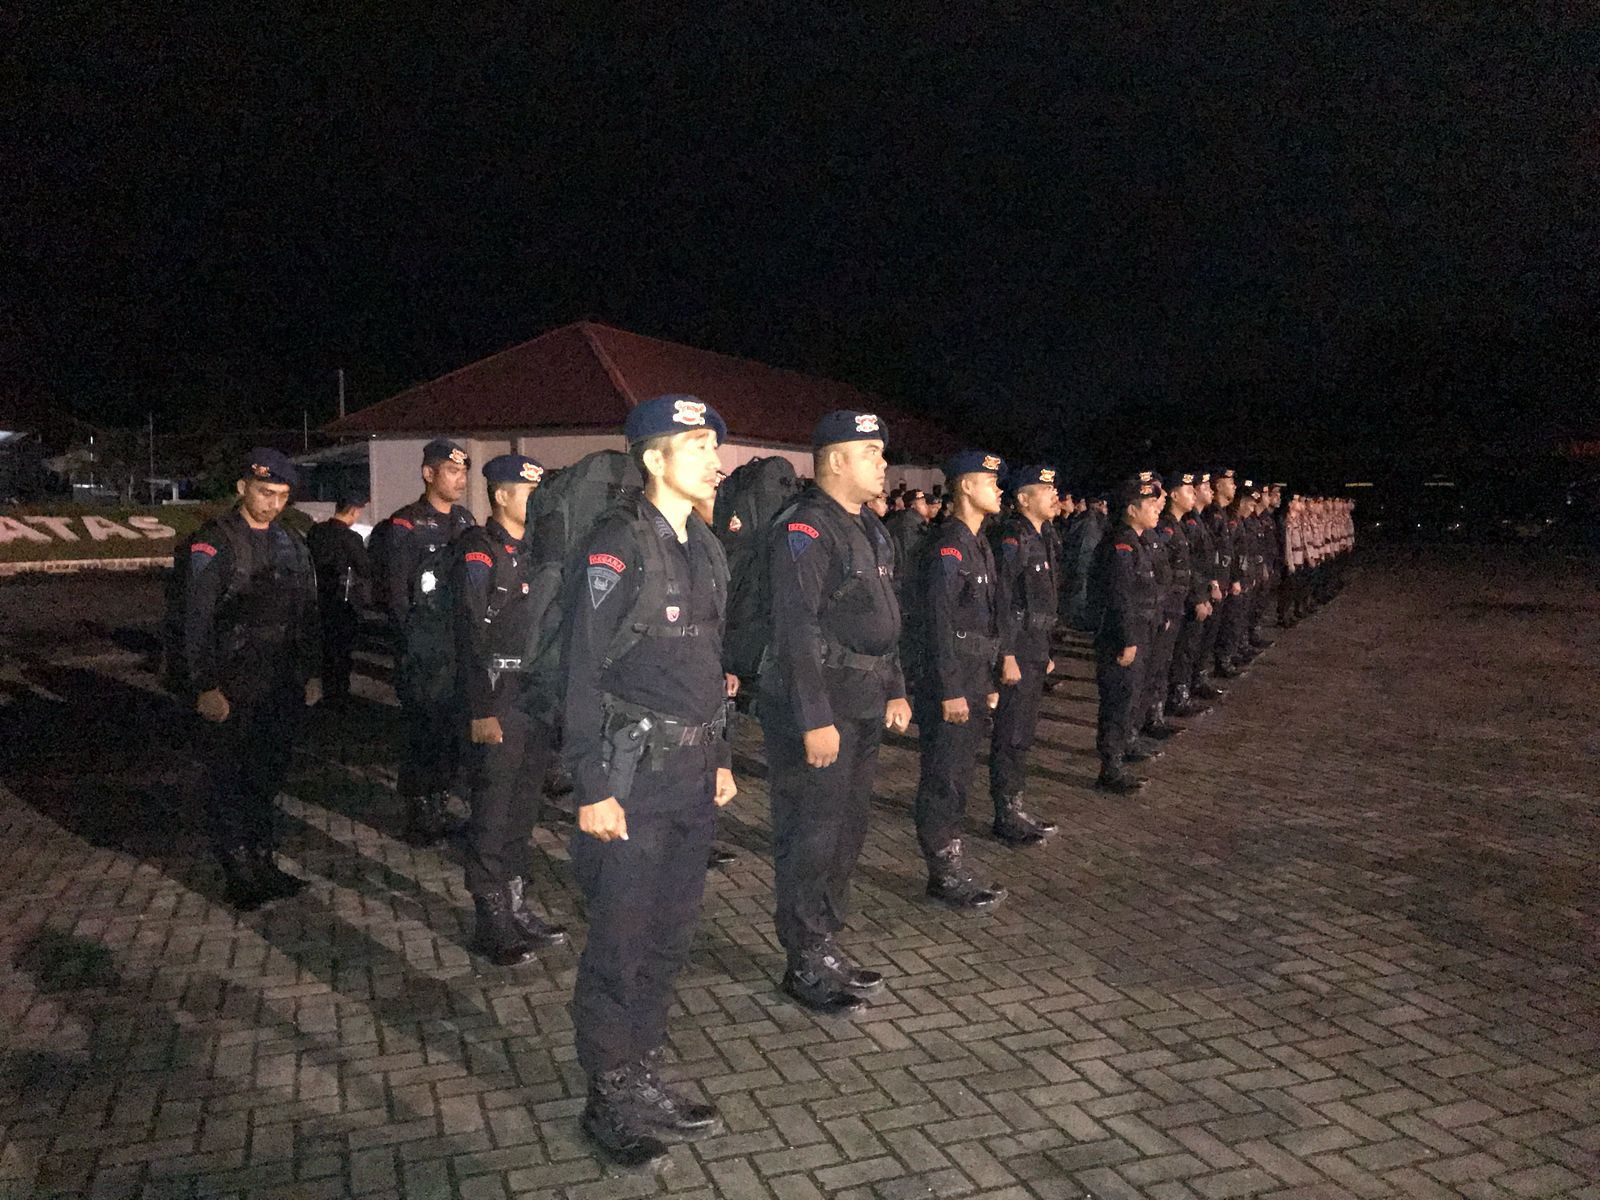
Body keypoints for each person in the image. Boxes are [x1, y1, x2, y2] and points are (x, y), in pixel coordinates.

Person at [563, 394, 738, 1167]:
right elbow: (578, 670)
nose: (715, 461)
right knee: (621, 942)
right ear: (654, 459)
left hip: (693, 778)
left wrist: (722, 756)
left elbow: (710, 664)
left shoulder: (706, 546)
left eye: (714, 448)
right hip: (630, 782)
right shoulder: (618, 544)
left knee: (669, 939)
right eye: (698, 446)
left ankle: (642, 1072)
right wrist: (591, 785)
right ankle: (607, 1094)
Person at [761, 410, 911, 1014]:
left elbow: (886, 618)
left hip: (865, 699)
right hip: (823, 705)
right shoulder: (805, 528)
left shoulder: (870, 527)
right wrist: (813, 717)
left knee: (847, 830)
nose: (882, 462)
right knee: (810, 833)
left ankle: (826, 940)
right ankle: (803, 959)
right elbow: (795, 629)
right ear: (835, 460)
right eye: (870, 452)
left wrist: (896, 687)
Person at [184, 450, 321, 909]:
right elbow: (194, 620)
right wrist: (204, 685)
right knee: (229, 779)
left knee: (266, 776)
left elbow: (306, 613)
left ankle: (263, 862)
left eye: (282, 495)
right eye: (265, 493)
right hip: (232, 683)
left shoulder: (291, 542)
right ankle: (238, 871)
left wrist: (311, 671)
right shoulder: (215, 542)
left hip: (279, 683)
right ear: (243, 488)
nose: (273, 504)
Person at [452, 454, 568, 967]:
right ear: (501, 496)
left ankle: (516, 905)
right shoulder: (479, 551)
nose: (537, 504)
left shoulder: (541, 553)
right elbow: (468, 632)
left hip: (535, 695)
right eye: (528, 493)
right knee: (493, 810)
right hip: (496, 693)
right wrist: (481, 708)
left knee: (522, 809)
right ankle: (490, 918)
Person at [912, 450, 1007, 909]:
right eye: (990, 482)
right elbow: (938, 623)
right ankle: (943, 872)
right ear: (966, 487)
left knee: (960, 774)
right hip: (951, 684)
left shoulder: (979, 543)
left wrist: (987, 682)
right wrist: (951, 689)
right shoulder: (948, 545)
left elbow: (983, 621)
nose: (999, 489)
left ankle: (952, 861)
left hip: (973, 678)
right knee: (944, 777)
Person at [383, 439, 477, 844]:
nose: (461, 480)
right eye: (452, 472)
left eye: (463, 473)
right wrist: (411, 643)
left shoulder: (465, 522)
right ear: (428, 474)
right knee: (422, 731)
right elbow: (396, 593)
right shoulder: (405, 525)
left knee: (451, 731)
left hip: (456, 647)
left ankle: (439, 802)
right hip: (422, 649)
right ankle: (419, 812)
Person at [988, 465, 1062, 845]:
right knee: (1011, 733)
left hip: (1035, 646)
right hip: (1017, 648)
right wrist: (1007, 653)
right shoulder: (1013, 537)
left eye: (1054, 489)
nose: (1054, 495)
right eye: (1045, 489)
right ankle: (1006, 813)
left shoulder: (1043, 536)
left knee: (1024, 732)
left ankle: (1016, 806)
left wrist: (1046, 650)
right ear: (1023, 499)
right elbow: (1002, 599)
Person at [1089, 472, 1163, 795]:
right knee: (1118, 700)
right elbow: (1120, 597)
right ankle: (1110, 768)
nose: (1156, 508)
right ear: (1132, 509)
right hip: (1120, 637)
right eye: (1149, 504)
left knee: (1130, 696)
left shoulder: (1137, 541)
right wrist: (1128, 639)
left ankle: (1121, 752)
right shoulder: (1120, 544)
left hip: (1139, 632)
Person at [306, 491, 371, 705]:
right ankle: (339, 695)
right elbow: (364, 568)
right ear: (353, 510)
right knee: (342, 651)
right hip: (342, 602)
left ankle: (323, 690)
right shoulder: (351, 538)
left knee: (323, 648)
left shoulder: (316, 532)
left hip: (317, 599)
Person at [1171, 472, 1219, 715]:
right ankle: (1177, 696)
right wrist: (1198, 598)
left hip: (1194, 595)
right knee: (1183, 651)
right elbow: (1189, 568)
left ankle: (1185, 690)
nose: (1193, 494)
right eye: (1189, 490)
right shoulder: (1183, 525)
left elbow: (1201, 565)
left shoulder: (1195, 522)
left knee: (1191, 647)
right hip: (1184, 600)